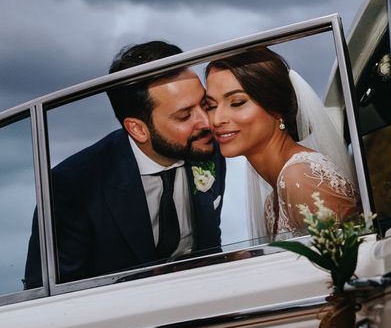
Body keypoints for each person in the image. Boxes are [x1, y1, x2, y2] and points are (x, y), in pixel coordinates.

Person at [24, 41, 225, 288]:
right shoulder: (72, 188)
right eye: (184, 116)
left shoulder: (206, 150)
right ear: (138, 129)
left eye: (204, 104)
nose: (206, 122)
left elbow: (210, 250)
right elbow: (50, 296)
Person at [204, 48, 358, 242]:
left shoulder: (300, 177)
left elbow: (345, 264)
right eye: (210, 106)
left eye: (237, 102)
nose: (217, 120)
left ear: (275, 107)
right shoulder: (273, 201)